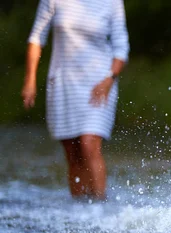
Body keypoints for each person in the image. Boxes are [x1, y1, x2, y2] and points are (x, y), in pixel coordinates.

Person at [22, 0, 130, 200]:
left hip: (99, 81)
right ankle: (79, 211)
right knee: (72, 151)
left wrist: (110, 79)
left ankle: (99, 206)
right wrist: (30, 80)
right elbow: (37, 37)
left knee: (89, 144)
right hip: (63, 81)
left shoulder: (112, 2)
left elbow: (121, 46)